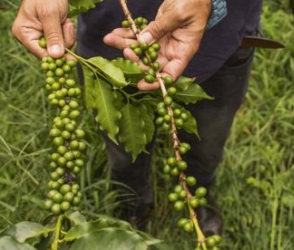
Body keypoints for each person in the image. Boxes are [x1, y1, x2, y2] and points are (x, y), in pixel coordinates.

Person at [12, 0, 264, 236]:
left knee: (208, 140)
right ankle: (132, 198)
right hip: (112, 43)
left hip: (223, 39)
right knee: (123, 147)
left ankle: (200, 191)